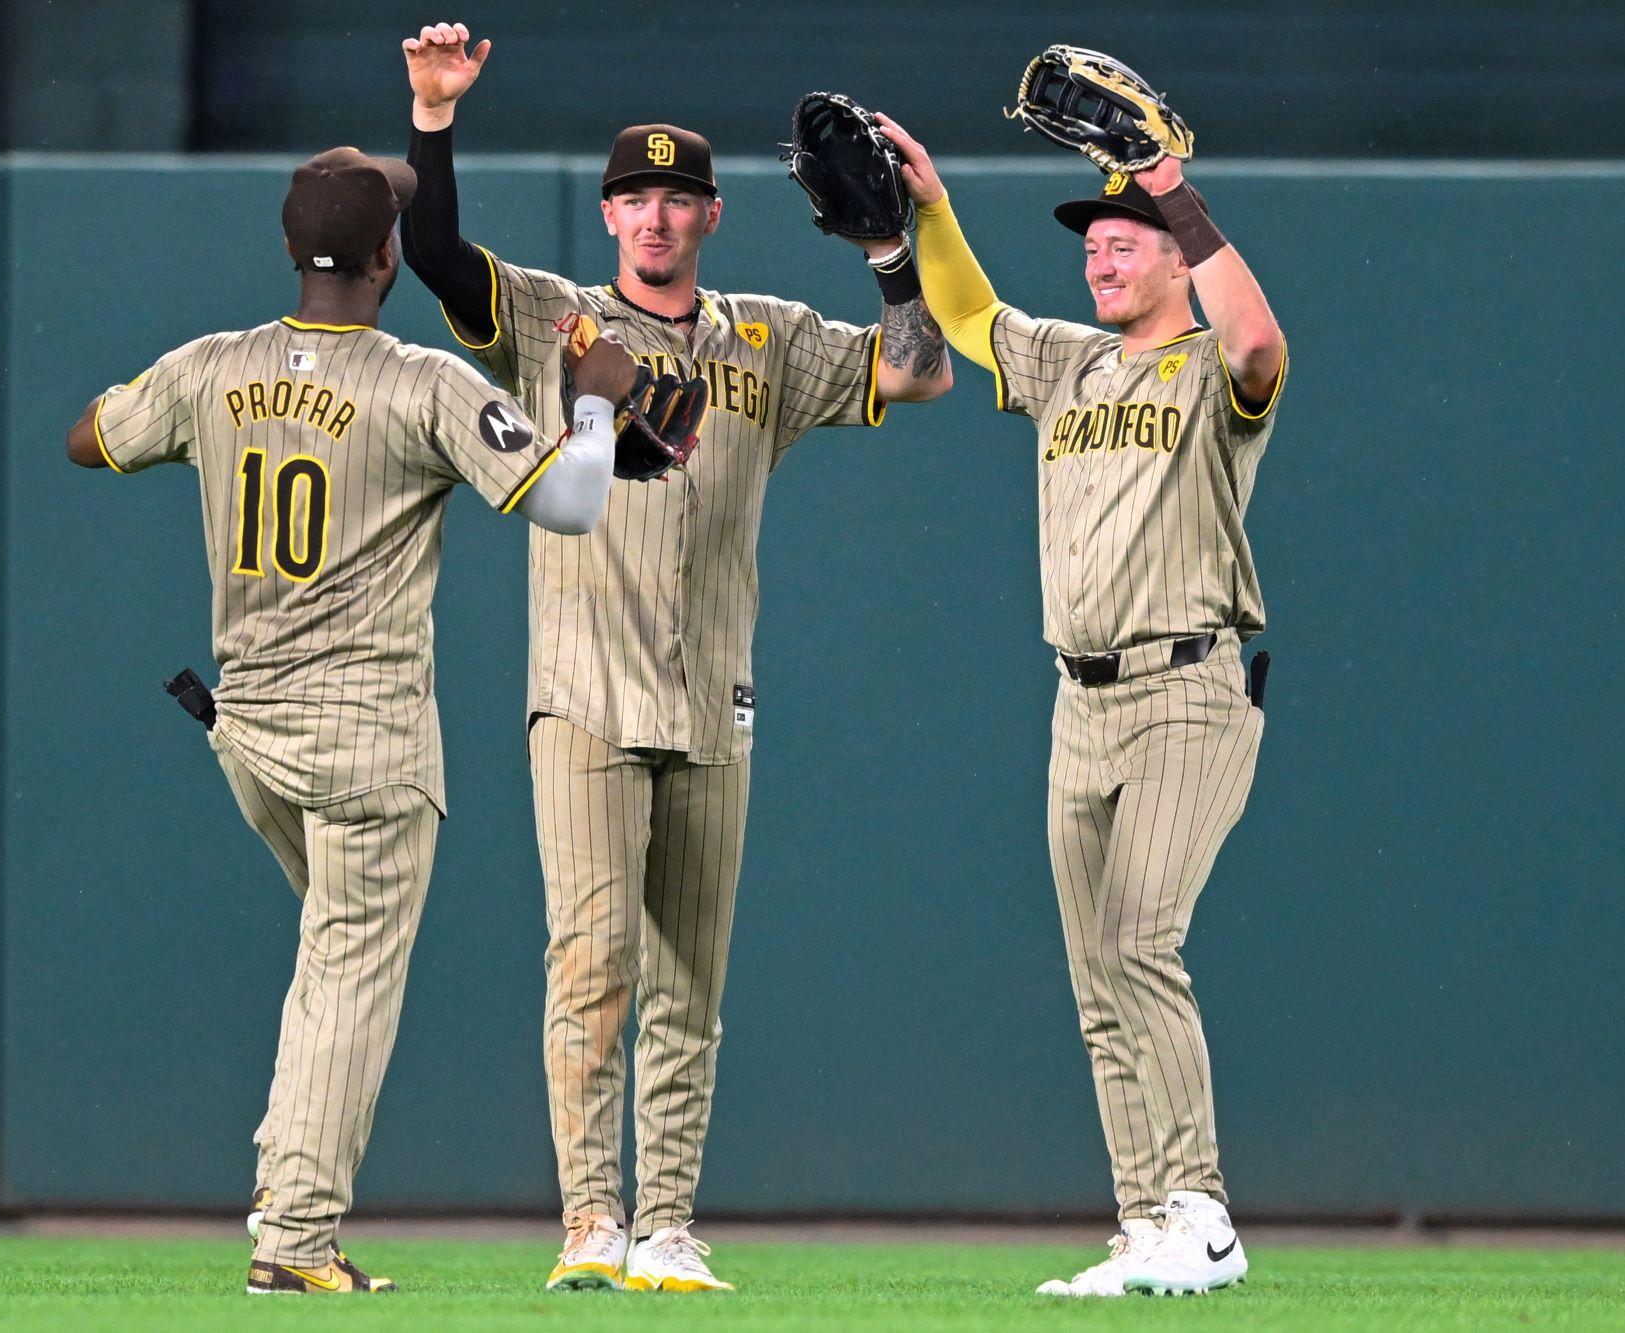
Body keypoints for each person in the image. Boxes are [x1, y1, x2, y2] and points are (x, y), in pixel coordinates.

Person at [399, 22, 954, 1294]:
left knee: (689, 989)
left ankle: (667, 1225)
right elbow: (431, 253)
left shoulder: (767, 335)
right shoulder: (550, 320)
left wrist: (890, 250)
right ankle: (590, 1220)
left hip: (715, 701)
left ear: (709, 215)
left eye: (676, 198)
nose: (654, 217)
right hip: (582, 696)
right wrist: (433, 120)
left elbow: (917, 373)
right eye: (634, 196)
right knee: (590, 969)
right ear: (606, 214)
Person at [65, 146, 640, 1295]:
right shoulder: (422, 382)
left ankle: (286, 1187)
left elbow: (90, 437)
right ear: (389, 260)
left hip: (248, 733)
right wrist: (593, 403)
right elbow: (572, 503)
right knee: (347, 976)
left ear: (290, 254)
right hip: (363, 742)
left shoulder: (212, 366)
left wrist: (194, 411)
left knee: (328, 960)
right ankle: (294, 1238)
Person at [874, 111, 1285, 1298]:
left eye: (1125, 242)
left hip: (1187, 688)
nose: (1101, 259)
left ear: (1175, 258)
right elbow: (962, 320)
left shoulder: (1211, 364)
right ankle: (1145, 1223)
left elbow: (1257, 341)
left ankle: (1200, 1209)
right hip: (1079, 700)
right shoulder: (1068, 361)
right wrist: (934, 208)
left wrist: (1174, 188)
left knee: (1142, 938)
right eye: (1093, 243)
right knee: (1099, 981)